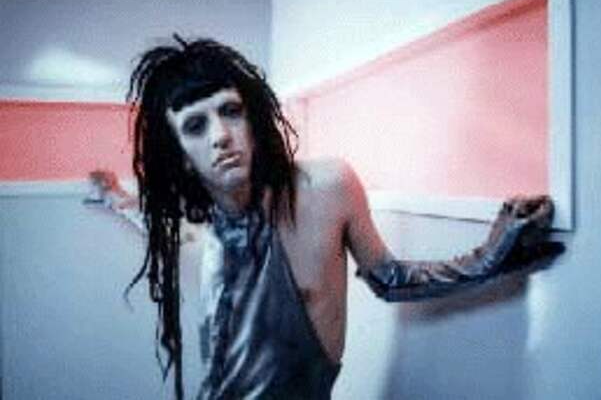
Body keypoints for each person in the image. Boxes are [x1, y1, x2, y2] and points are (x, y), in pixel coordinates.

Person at [87, 35, 557, 400]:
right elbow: (148, 219)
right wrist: (112, 195)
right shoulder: (198, 218)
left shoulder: (326, 188)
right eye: (195, 125)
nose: (221, 136)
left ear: (254, 119)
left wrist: (491, 256)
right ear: (182, 158)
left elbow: (390, 280)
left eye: (230, 111)